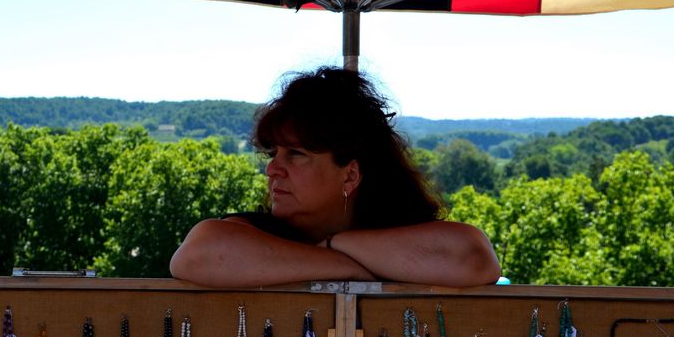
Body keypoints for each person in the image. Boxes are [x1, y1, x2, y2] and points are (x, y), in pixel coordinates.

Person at [169, 67, 501, 288]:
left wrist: (338, 244)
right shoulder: (258, 232)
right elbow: (196, 253)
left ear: (350, 175)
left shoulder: (404, 229)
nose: (272, 169)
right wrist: (346, 266)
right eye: (273, 155)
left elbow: (473, 257)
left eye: (296, 154)